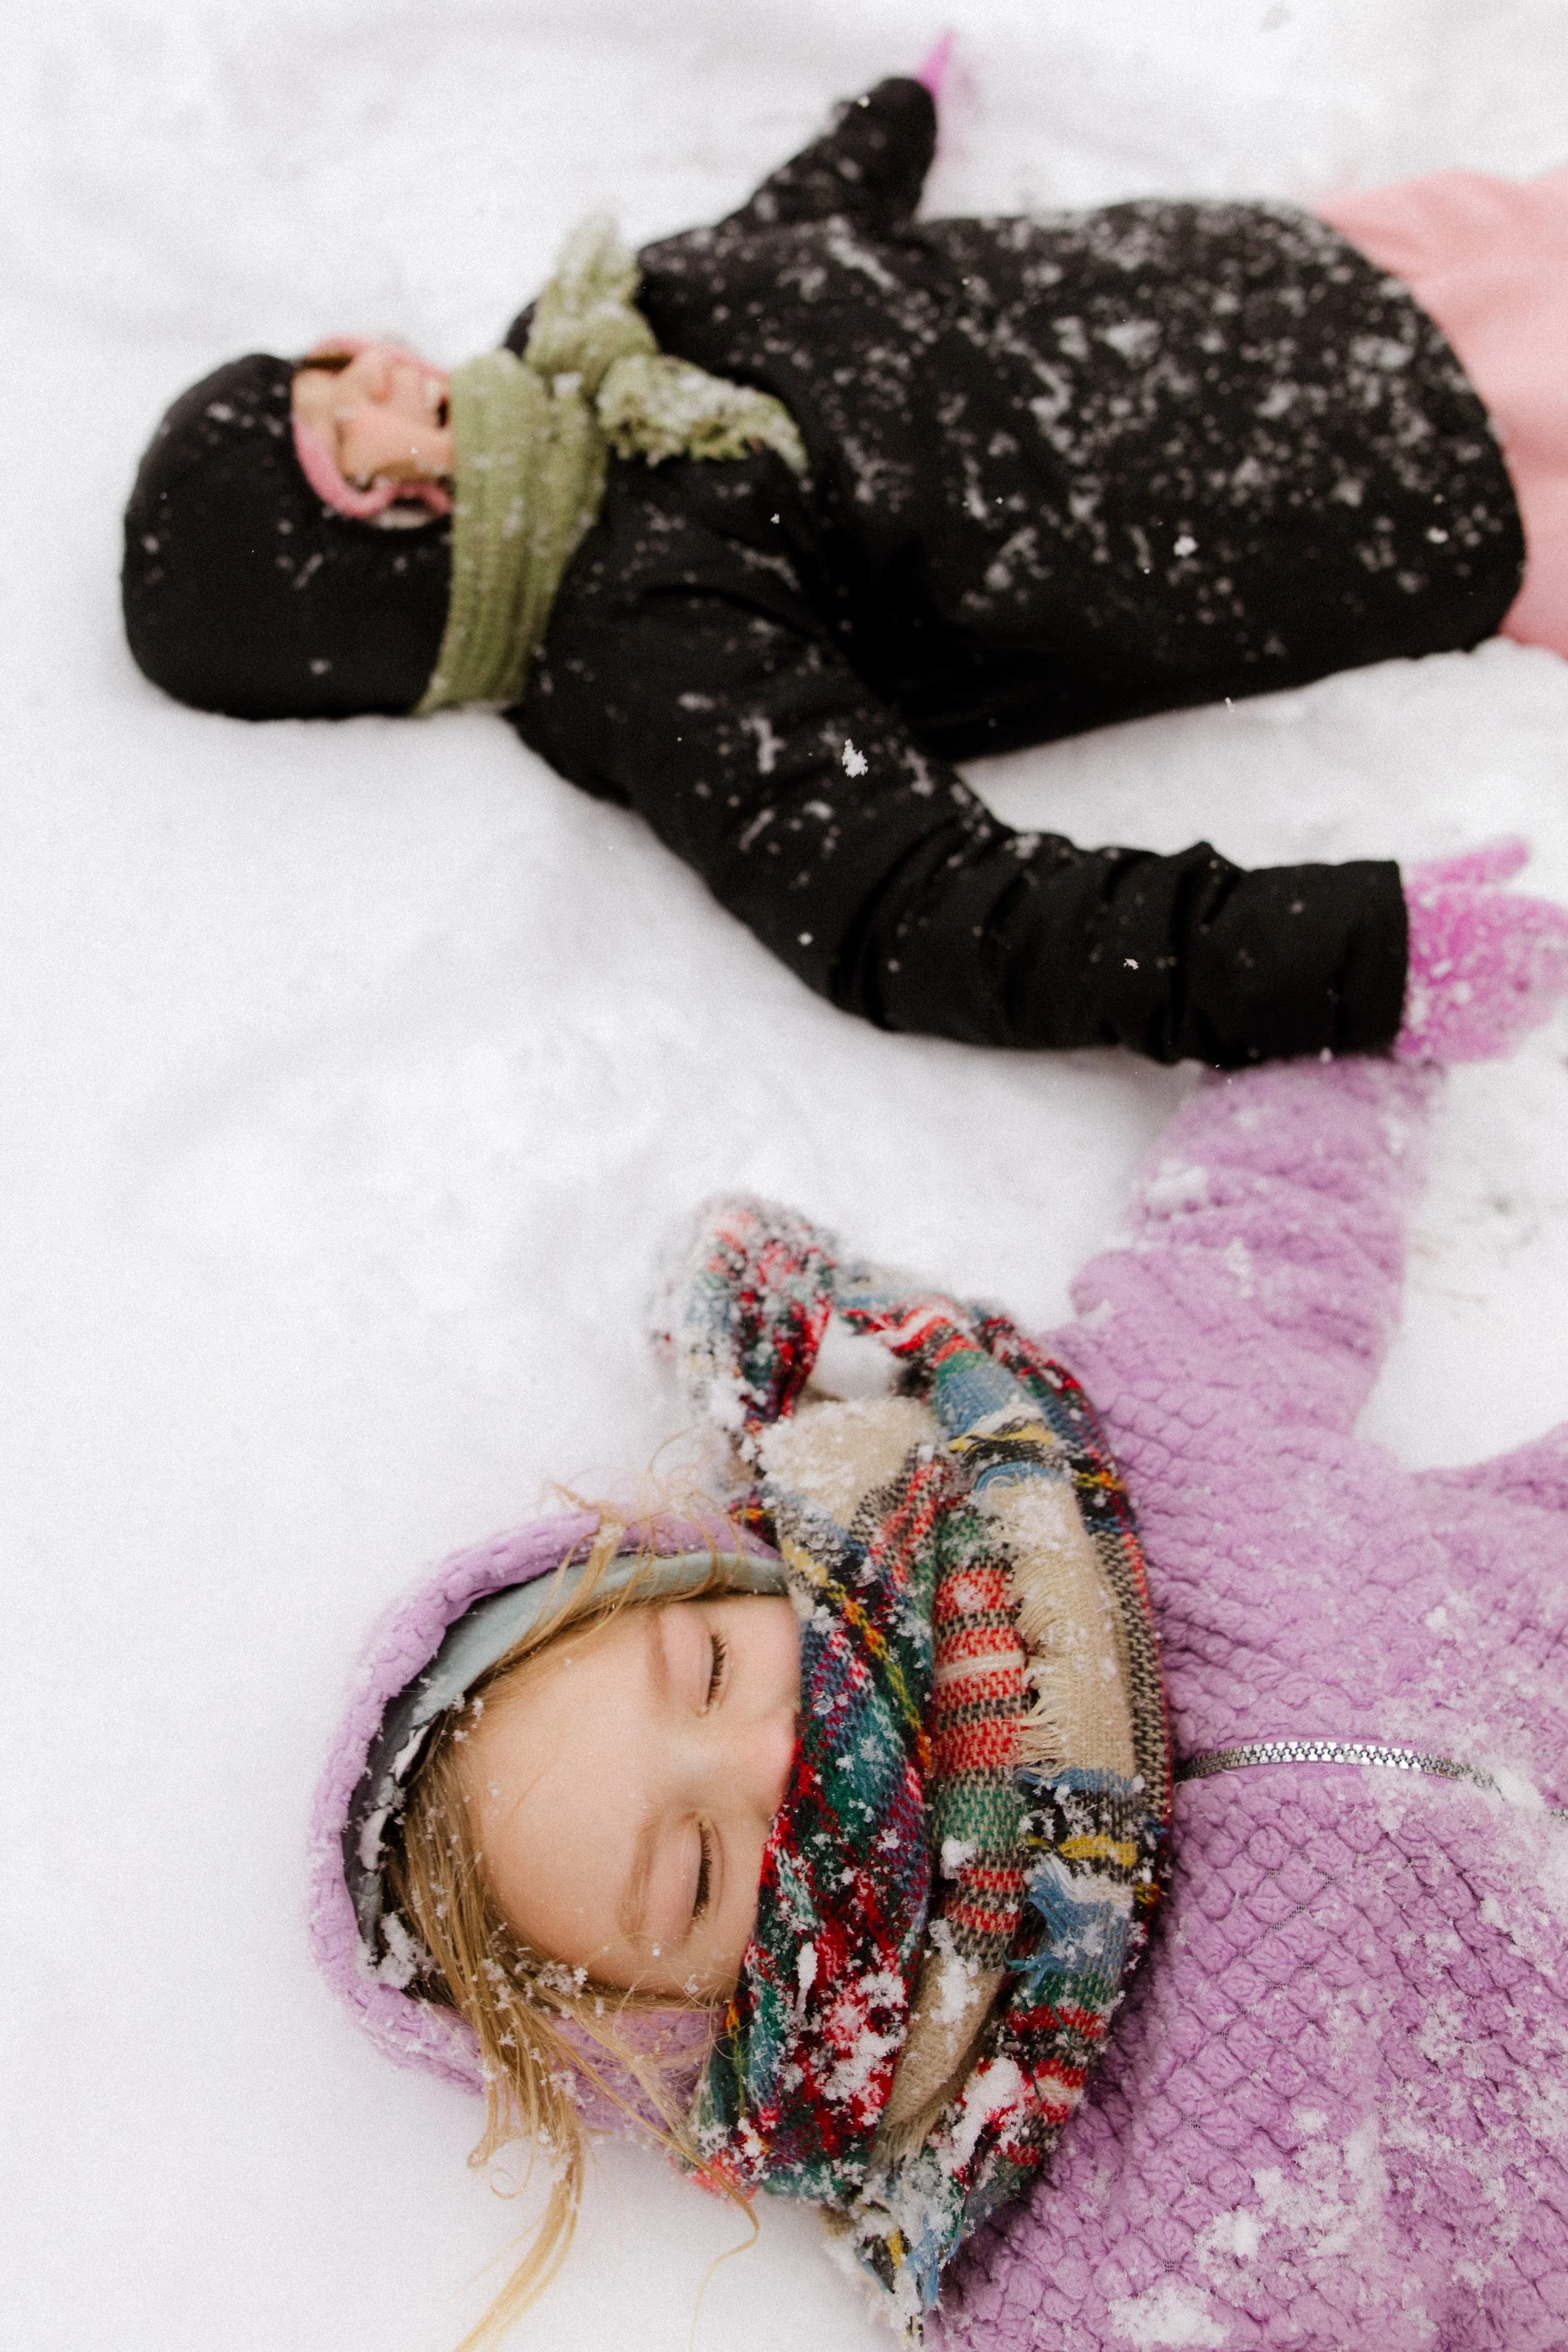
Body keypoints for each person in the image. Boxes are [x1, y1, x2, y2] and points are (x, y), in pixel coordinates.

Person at [312, 1049, 1568, 2349]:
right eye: (692, 1873)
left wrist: (1351, 1004)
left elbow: (1258, 1239)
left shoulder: (1085, 1464)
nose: (759, 1756)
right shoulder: (1072, 2245)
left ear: (726, 1571)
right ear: (700, 2028)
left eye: (709, 1671)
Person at [122, 61, 1568, 1070]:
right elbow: (913, 912)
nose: (388, 391)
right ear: (382, 584)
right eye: (350, 459)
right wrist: (1350, 958)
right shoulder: (638, 631)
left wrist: (885, 117)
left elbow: (787, 238)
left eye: (331, 376)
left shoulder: (575, 340)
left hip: (1328, 262)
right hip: (1414, 455)